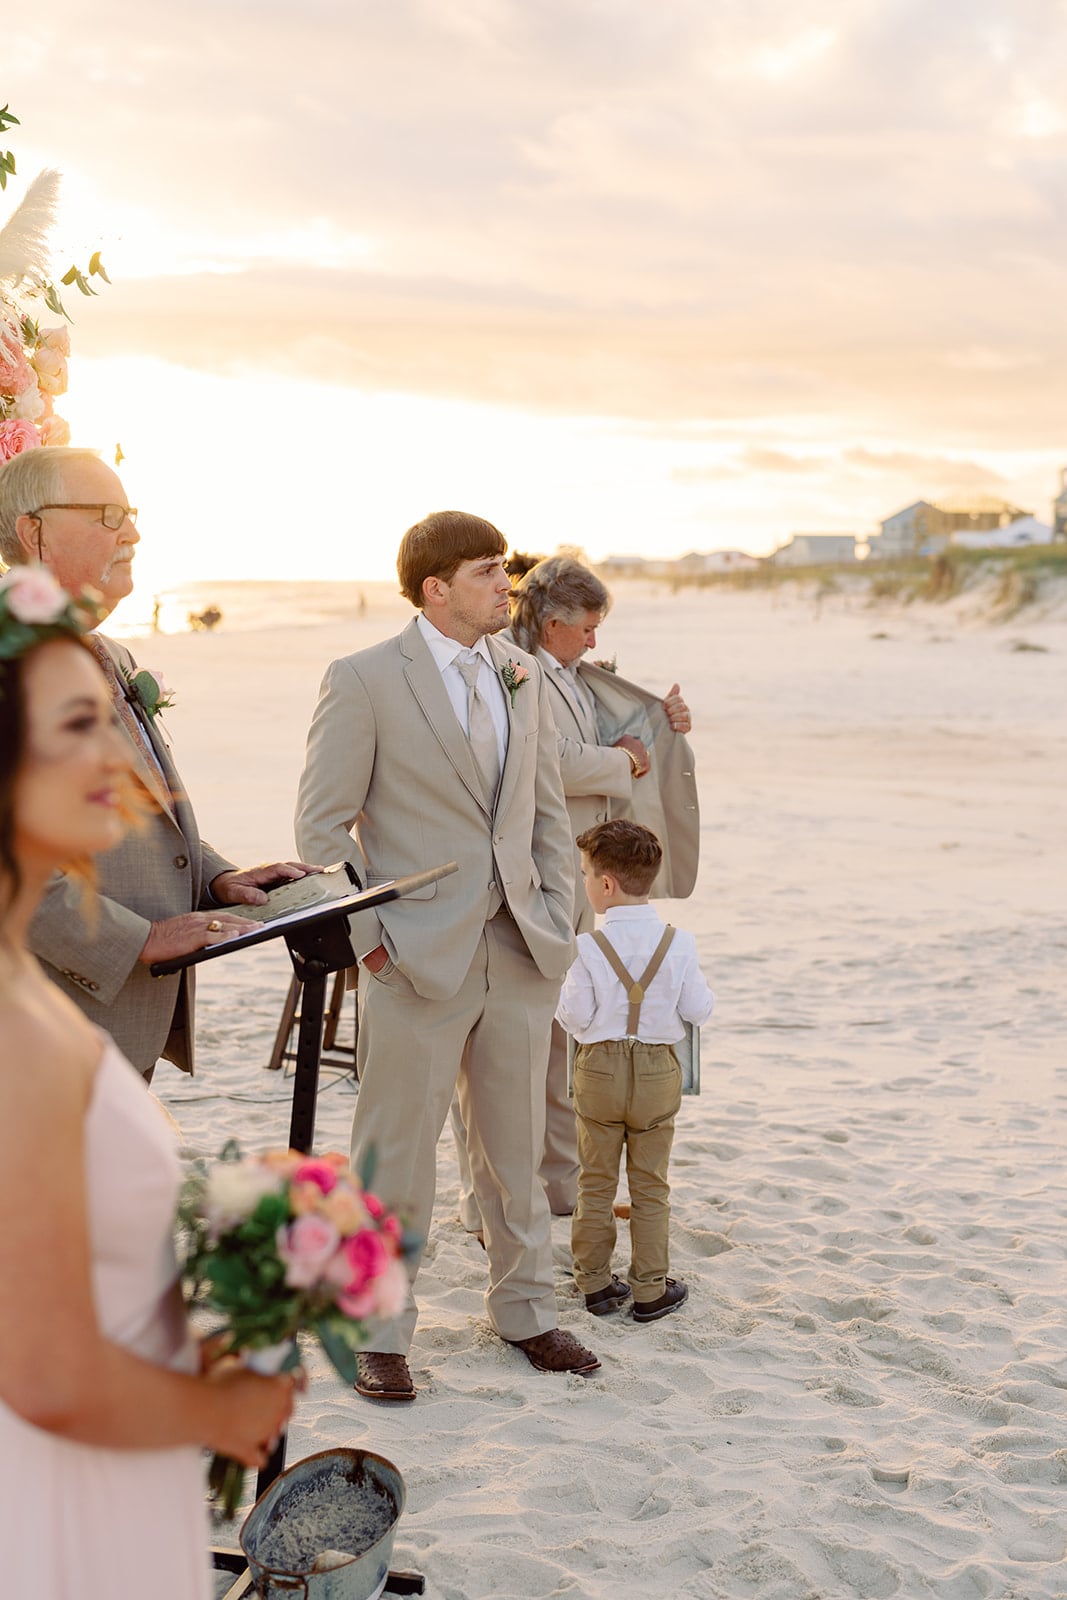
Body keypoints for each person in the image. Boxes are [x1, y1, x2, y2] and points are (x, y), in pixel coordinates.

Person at [0, 564, 297, 1599]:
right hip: (66, 1485)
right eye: (77, 731)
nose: (130, 772)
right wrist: (217, 1413)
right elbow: (37, 1371)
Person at [295, 510, 600, 1399]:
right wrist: (369, 947)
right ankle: (377, 1330)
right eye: (485, 572)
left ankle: (528, 1313)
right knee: (395, 1152)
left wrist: (558, 915)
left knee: (516, 1147)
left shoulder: (519, 673)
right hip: (412, 954)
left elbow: (543, 808)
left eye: (502, 570)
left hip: (519, 946)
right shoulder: (362, 679)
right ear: (435, 588)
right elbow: (321, 827)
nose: (504, 585)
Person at [0, 446, 314, 1079]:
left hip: (118, 1031)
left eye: (131, 513)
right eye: (106, 514)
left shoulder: (108, 654)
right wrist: (136, 940)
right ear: (33, 532)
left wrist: (219, 878)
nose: (133, 532)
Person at [455, 554, 699, 1227]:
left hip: (576, 881)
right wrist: (623, 760)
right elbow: (549, 761)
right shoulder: (506, 666)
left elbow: (613, 722)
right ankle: (486, 1202)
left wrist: (661, 718)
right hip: (528, 880)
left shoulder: (568, 670)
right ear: (554, 620)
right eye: (587, 627)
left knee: (565, 1037)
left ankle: (559, 1189)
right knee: (505, 1052)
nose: (595, 640)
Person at [557, 819, 715, 1322]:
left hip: (599, 1068)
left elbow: (575, 1017)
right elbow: (700, 1008)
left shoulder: (586, 947)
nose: (584, 883)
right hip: (655, 1072)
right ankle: (649, 1289)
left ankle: (596, 1285)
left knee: (595, 1181)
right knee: (650, 1183)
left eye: (586, 874)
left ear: (607, 884)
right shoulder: (680, 943)